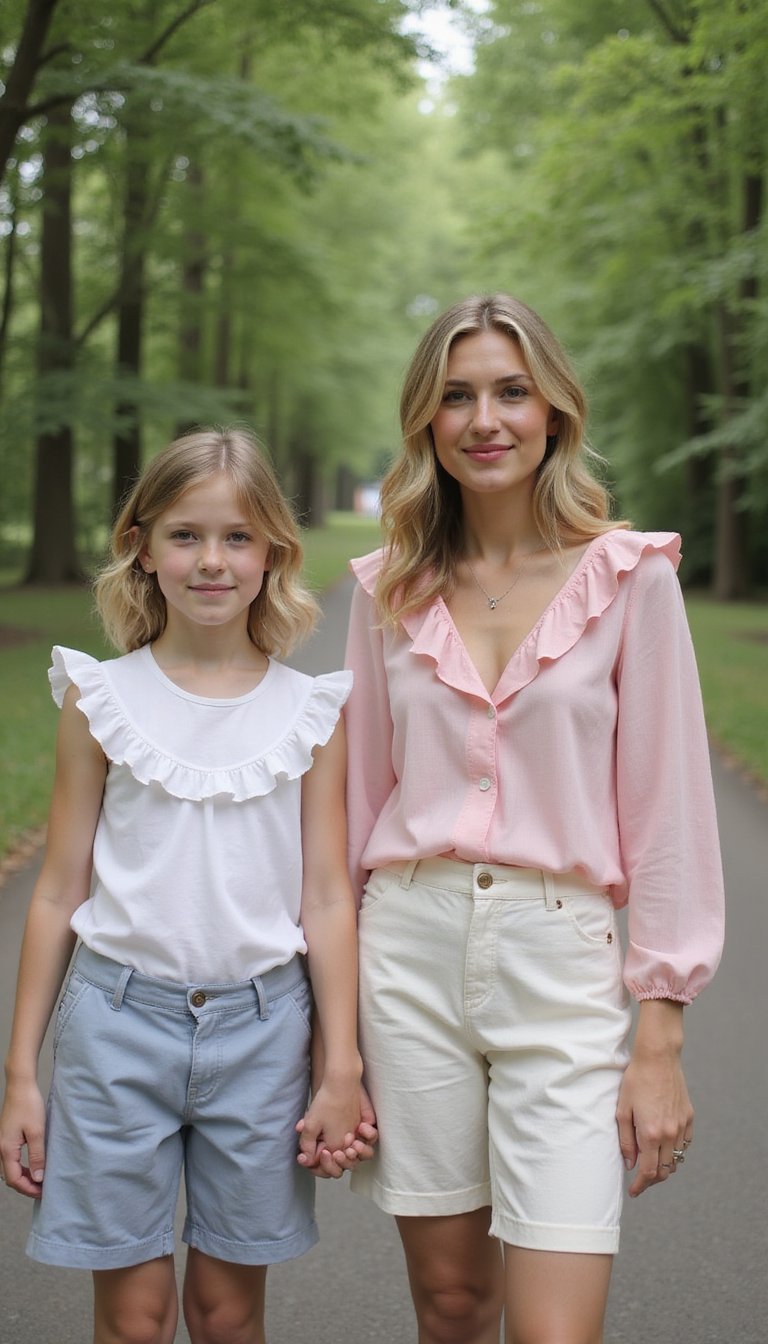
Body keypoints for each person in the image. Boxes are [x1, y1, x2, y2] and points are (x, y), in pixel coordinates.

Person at [343, 295, 724, 1344]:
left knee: (557, 1330)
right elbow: (351, 814)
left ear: (554, 410)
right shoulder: (388, 591)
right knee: (453, 1307)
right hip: (406, 955)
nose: (485, 420)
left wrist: (660, 1036)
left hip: (562, 967)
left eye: (511, 392)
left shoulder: (632, 580)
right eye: (456, 396)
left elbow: (671, 812)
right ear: (425, 420)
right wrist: (332, 1039)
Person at [0, 427, 375, 1344]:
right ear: (141, 547)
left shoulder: (310, 713)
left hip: (263, 1035)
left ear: (273, 553)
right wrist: (20, 1076)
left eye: (238, 537)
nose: (212, 560)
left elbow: (327, 899)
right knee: (134, 1319)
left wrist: (341, 1065)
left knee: (225, 1313)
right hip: (116, 1028)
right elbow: (56, 890)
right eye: (185, 535)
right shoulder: (100, 699)